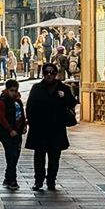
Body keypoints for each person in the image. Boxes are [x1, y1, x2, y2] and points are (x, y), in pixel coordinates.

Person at [25, 61, 77, 191]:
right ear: (43, 74)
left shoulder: (63, 88)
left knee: (54, 157)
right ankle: (38, 180)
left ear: (56, 74)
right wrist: (31, 122)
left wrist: (64, 97)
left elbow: (72, 103)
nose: (49, 75)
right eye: (46, 73)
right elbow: (30, 106)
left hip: (56, 128)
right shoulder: (37, 88)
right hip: (40, 128)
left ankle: (51, 180)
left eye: (52, 73)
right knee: (39, 157)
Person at [0, 79, 27, 190]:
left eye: (15, 90)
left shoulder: (17, 101)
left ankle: (8, 177)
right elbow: (1, 118)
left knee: (15, 156)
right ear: (7, 90)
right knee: (11, 155)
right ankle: (12, 179)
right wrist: (10, 130)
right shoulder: (3, 101)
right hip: (7, 134)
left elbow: (21, 114)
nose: (14, 93)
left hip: (17, 133)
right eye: (11, 90)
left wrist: (24, 125)